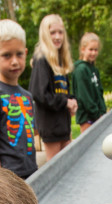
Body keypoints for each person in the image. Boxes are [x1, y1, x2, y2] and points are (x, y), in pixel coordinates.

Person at [0, 19, 38, 179]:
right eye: (6, 55)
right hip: (10, 177)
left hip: (32, 170)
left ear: (25, 54)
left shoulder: (27, 95)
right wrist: (1, 180)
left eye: (19, 54)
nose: (14, 61)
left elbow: (33, 133)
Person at [29, 14, 77, 161]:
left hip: (63, 124)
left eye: (60, 32)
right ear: (45, 35)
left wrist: (72, 101)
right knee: (56, 169)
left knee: (69, 164)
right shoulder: (42, 59)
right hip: (50, 126)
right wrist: (65, 102)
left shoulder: (60, 60)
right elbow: (39, 94)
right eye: (53, 33)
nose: (57, 37)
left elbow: (63, 92)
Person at [72, 32, 108, 133]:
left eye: (96, 50)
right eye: (90, 50)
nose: (93, 53)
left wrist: (103, 111)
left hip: (98, 117)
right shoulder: (81, 70)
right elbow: (84, 97)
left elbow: (99, 93)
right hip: (87, 119)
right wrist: (97, 114)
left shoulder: (94, 70)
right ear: (83, 50)